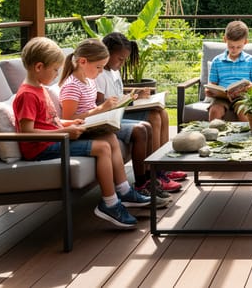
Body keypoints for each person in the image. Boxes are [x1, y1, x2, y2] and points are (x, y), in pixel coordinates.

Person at [13, 36, 150, 229]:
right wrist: (66, 132)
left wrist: (68, 122)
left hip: (54, 138)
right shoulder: (28, 94)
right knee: (102, 148)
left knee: (109, 136)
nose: (56, 75)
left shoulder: (39, 89)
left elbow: (48, 122)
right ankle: (109, 204)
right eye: (54, 70)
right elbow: (26, 133)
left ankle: (124, 190)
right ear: (38, 67)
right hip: (41, 148)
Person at [58, 39, 175, 200]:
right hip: (85, 127)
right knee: (141, 129)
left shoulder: (88, 80)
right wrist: (101, 109)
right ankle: (141, 183)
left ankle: (149, 178)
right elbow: (68, 118)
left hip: (97, 122)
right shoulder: (72, 85)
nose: (100, 72)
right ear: (82, 62)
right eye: (98, 67)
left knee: (147, 127)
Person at [96, 32, 184, 196]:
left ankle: (162, 167)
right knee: (153, 116)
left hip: (120, 111)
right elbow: (100, 104)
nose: (122, 63)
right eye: (120, 59)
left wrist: (135, 94)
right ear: (106, 52)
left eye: (124, 60)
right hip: (113, 115)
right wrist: (126, 100)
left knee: (162, 113)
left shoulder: (113, 71)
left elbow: (117, 94)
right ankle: (153, 174)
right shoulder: (99, 75)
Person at [205, 20, 252, 121]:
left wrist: (249, 87)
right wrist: (209, 91)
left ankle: (246, 136)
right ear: (225, 40)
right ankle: (214, 135)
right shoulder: (217, 61)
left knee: (243, 111)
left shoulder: (251, 60)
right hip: (222, 98)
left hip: (242, 97)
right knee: (215, 111)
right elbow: (211, 84)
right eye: (231, 46)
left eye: (238, 47)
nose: (234, 50)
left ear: (245, 42)